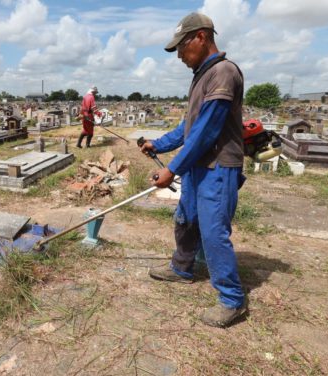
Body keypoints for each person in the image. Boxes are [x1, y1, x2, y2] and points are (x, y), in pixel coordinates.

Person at [140, 12, 247, 328]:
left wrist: (171, 169)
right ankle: (182, 268)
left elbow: (207, 131)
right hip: (198, 166)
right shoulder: (202, 75)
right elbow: (189, 128)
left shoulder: (223, 73)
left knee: (214, 232)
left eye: (182, 48)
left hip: (218, 167)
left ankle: (231, 300)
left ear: (201, 37)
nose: (180, 57)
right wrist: (157, 144)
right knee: (186, 219)